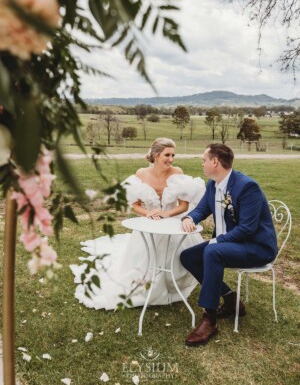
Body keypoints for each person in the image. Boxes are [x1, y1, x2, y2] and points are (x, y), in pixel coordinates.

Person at [70, 138, 206, 310]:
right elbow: (134, 205)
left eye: (173, 155)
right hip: (149, 225)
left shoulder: (177, 172)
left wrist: (166, 214)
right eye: (167, 155)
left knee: (180, 257)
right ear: (156, 155)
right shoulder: (141, 174)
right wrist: (148, 213)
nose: (171, 159)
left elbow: (184, 206)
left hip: (173, 223)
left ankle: (173, 284)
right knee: (141, 262)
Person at [180, 143, 277, 346]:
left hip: (256, 247)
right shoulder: (213, 184)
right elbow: (202, 208)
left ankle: (210, 319)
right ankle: (231, 300)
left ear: (215, 161)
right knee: (188, 256)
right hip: (230, 243)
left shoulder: (247, 186)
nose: (202, 164)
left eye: (204, 160)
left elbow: (247, 229)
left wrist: (216, 240)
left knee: (212, 251)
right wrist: (189, 218)